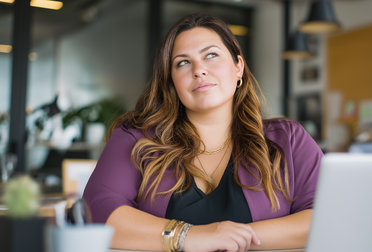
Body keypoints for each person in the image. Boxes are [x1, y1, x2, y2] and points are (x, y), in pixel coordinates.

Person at [83, 13, 323, 252]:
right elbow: (98, 212)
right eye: (183, 63)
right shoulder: (136, 139)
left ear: (238, 67)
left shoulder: (288, 139)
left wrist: (229, 237)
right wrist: (188, 236)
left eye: (211, 55)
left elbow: (327, 217)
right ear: (172, 82)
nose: (199, 70)